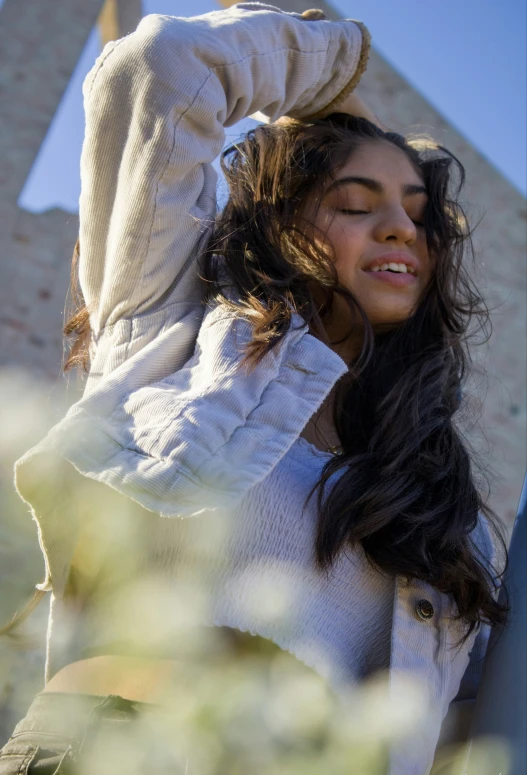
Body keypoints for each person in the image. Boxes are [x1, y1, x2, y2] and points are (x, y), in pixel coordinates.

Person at [0, 3, 510, 774]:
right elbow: (160, 69)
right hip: (111, 742)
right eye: (354, 202)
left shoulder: (447, 510)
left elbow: (466, 731)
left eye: (417, 214)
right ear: (284, 232)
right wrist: (344, 70)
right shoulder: (173, 330)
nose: (400, 228)